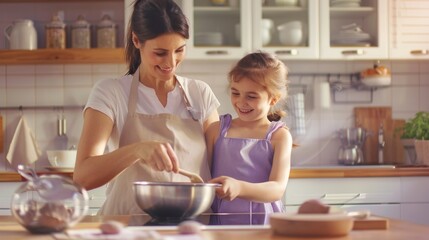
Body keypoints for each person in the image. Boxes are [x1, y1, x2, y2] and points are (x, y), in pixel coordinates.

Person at [73, 0, 220, 215]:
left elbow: (222, 163)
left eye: (179, 50)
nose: (171, 62)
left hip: (192, 229)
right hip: (126, 228)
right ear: (136, 40)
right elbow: (82, 177)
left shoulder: (200, 93)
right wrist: (137, 150)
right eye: (160, 53)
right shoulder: (110, 93)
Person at [206, 52, 293, 217]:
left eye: (251, 96)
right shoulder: (215, 130)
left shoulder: (279, 136)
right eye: (235, 93)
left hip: (265, 223)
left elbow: (277, 189)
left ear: (273, 99)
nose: (241, 102)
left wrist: (239, 188)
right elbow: (203, 176)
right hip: (222, 222)